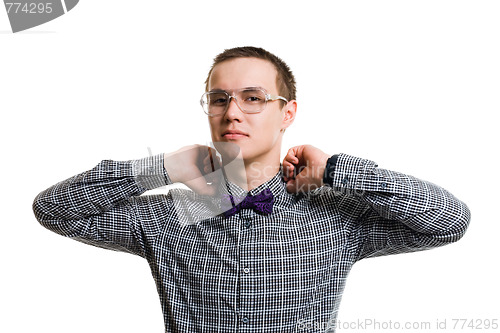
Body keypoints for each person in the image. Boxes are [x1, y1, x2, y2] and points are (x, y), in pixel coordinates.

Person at [33, 46, 471, 332]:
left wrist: (339, 170)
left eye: (254, 97)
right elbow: (53, 210)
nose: (232, 113)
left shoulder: (336, 216)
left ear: (287, 113)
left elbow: (449, 222)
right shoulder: (169, 216)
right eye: (219, 99)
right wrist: (163, 168)